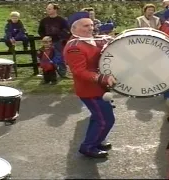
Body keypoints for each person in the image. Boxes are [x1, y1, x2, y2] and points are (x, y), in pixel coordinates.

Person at [63, 12, 116, 158]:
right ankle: (88, 146)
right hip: (89, 89)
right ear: (74, 29)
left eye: (92, 25)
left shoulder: (89, 39)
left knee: (97, 117)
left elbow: (100, 51)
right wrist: (102, 78)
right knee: (106, 120)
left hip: (98, 87)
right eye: (86, 26)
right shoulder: (74, 47)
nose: (91, 28)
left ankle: (95, 140)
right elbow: (79, 71)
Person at [38, 3, 70, 78]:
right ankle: (47, 74)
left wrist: (60, 36)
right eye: (47, 9)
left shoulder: (61, 20)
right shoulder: (44, 20)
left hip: (58, 41)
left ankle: (62, 73)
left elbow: (67, 30)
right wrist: (44, 37)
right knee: (46, 58)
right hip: (47, 42)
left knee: (59, 57)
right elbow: (40, 30)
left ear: (55, 9)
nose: (47, 10)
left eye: (49, 9)